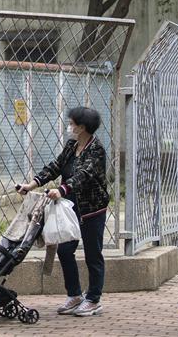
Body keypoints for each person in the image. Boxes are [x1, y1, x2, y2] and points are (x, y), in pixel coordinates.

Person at [16, 106, 108, 317]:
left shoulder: (96, 150)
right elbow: (55, 167)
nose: (69, 126)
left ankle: (93, 299)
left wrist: (62, 189)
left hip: (92, 209)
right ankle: (74, 295)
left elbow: (84, 175)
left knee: (93, 254)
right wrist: (32, 184)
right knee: (65, 250)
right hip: (69, 207)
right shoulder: (71, 145)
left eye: (72, 123)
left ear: (82, 127)